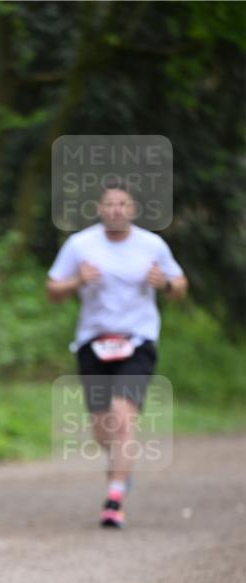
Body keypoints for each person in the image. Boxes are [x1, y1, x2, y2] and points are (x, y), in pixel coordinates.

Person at [46, 184, 187, 528]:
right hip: (92, 342)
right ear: (100, 209)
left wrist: (164, 284)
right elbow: (53, 289)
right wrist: (77, 280)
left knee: (123, 419)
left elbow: (180, 285)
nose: (115, 210)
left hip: (138, 341)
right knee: (103, 431)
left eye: (122, 204)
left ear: (132, 209)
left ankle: (115, 496)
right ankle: (120, 468)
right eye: (109, 205)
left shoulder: (152, 245)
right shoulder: (80, 244)